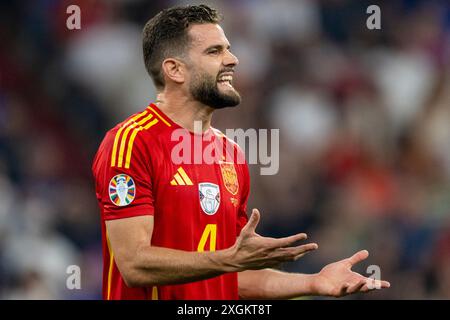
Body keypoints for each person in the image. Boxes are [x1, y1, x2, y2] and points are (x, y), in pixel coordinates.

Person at [92, 4, 390, 300]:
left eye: (228, 49)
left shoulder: (229, 153)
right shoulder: (131, 143)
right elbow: (133, 265)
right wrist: (227, 260)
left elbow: (233, 275)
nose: (232, 60)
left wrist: (313, 283)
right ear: (174, 70)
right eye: (214, 51)